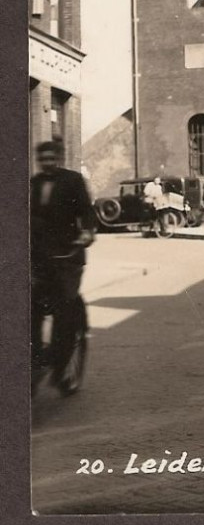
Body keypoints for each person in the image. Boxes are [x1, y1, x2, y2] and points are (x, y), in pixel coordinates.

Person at [30, 139, 95, 395]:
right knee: (29, 307)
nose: (47, 163)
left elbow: (87, 211)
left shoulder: (73, 181)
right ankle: (33, 358)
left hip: (68, 256)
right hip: (40, 257)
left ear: (59, 158)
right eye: (42, 159)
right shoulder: (33, 184)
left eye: (51, 158)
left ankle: (60, 370)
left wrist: (87, 232)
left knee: (65, 310)